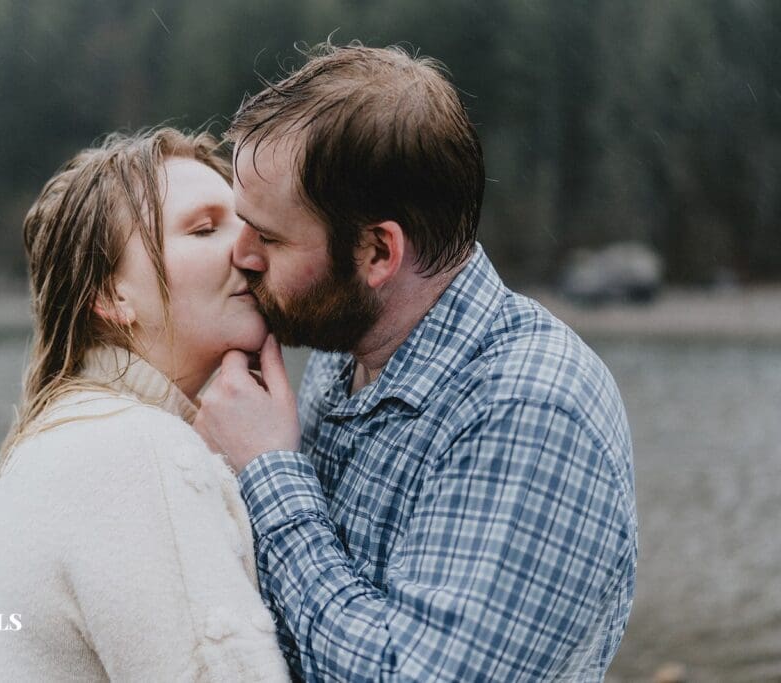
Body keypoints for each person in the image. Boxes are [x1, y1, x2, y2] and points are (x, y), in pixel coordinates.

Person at [195, 43, 638, 682]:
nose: (241, 254)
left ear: (378, 252)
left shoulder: (531, 407)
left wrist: (269, 473)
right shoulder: (343, 352)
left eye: (268, 236)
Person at [0, 129, 289, 682]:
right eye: (204, 229)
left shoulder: (83, 434)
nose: (249, 248)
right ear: (111, 295)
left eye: (246, 224)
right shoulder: (134, 450)